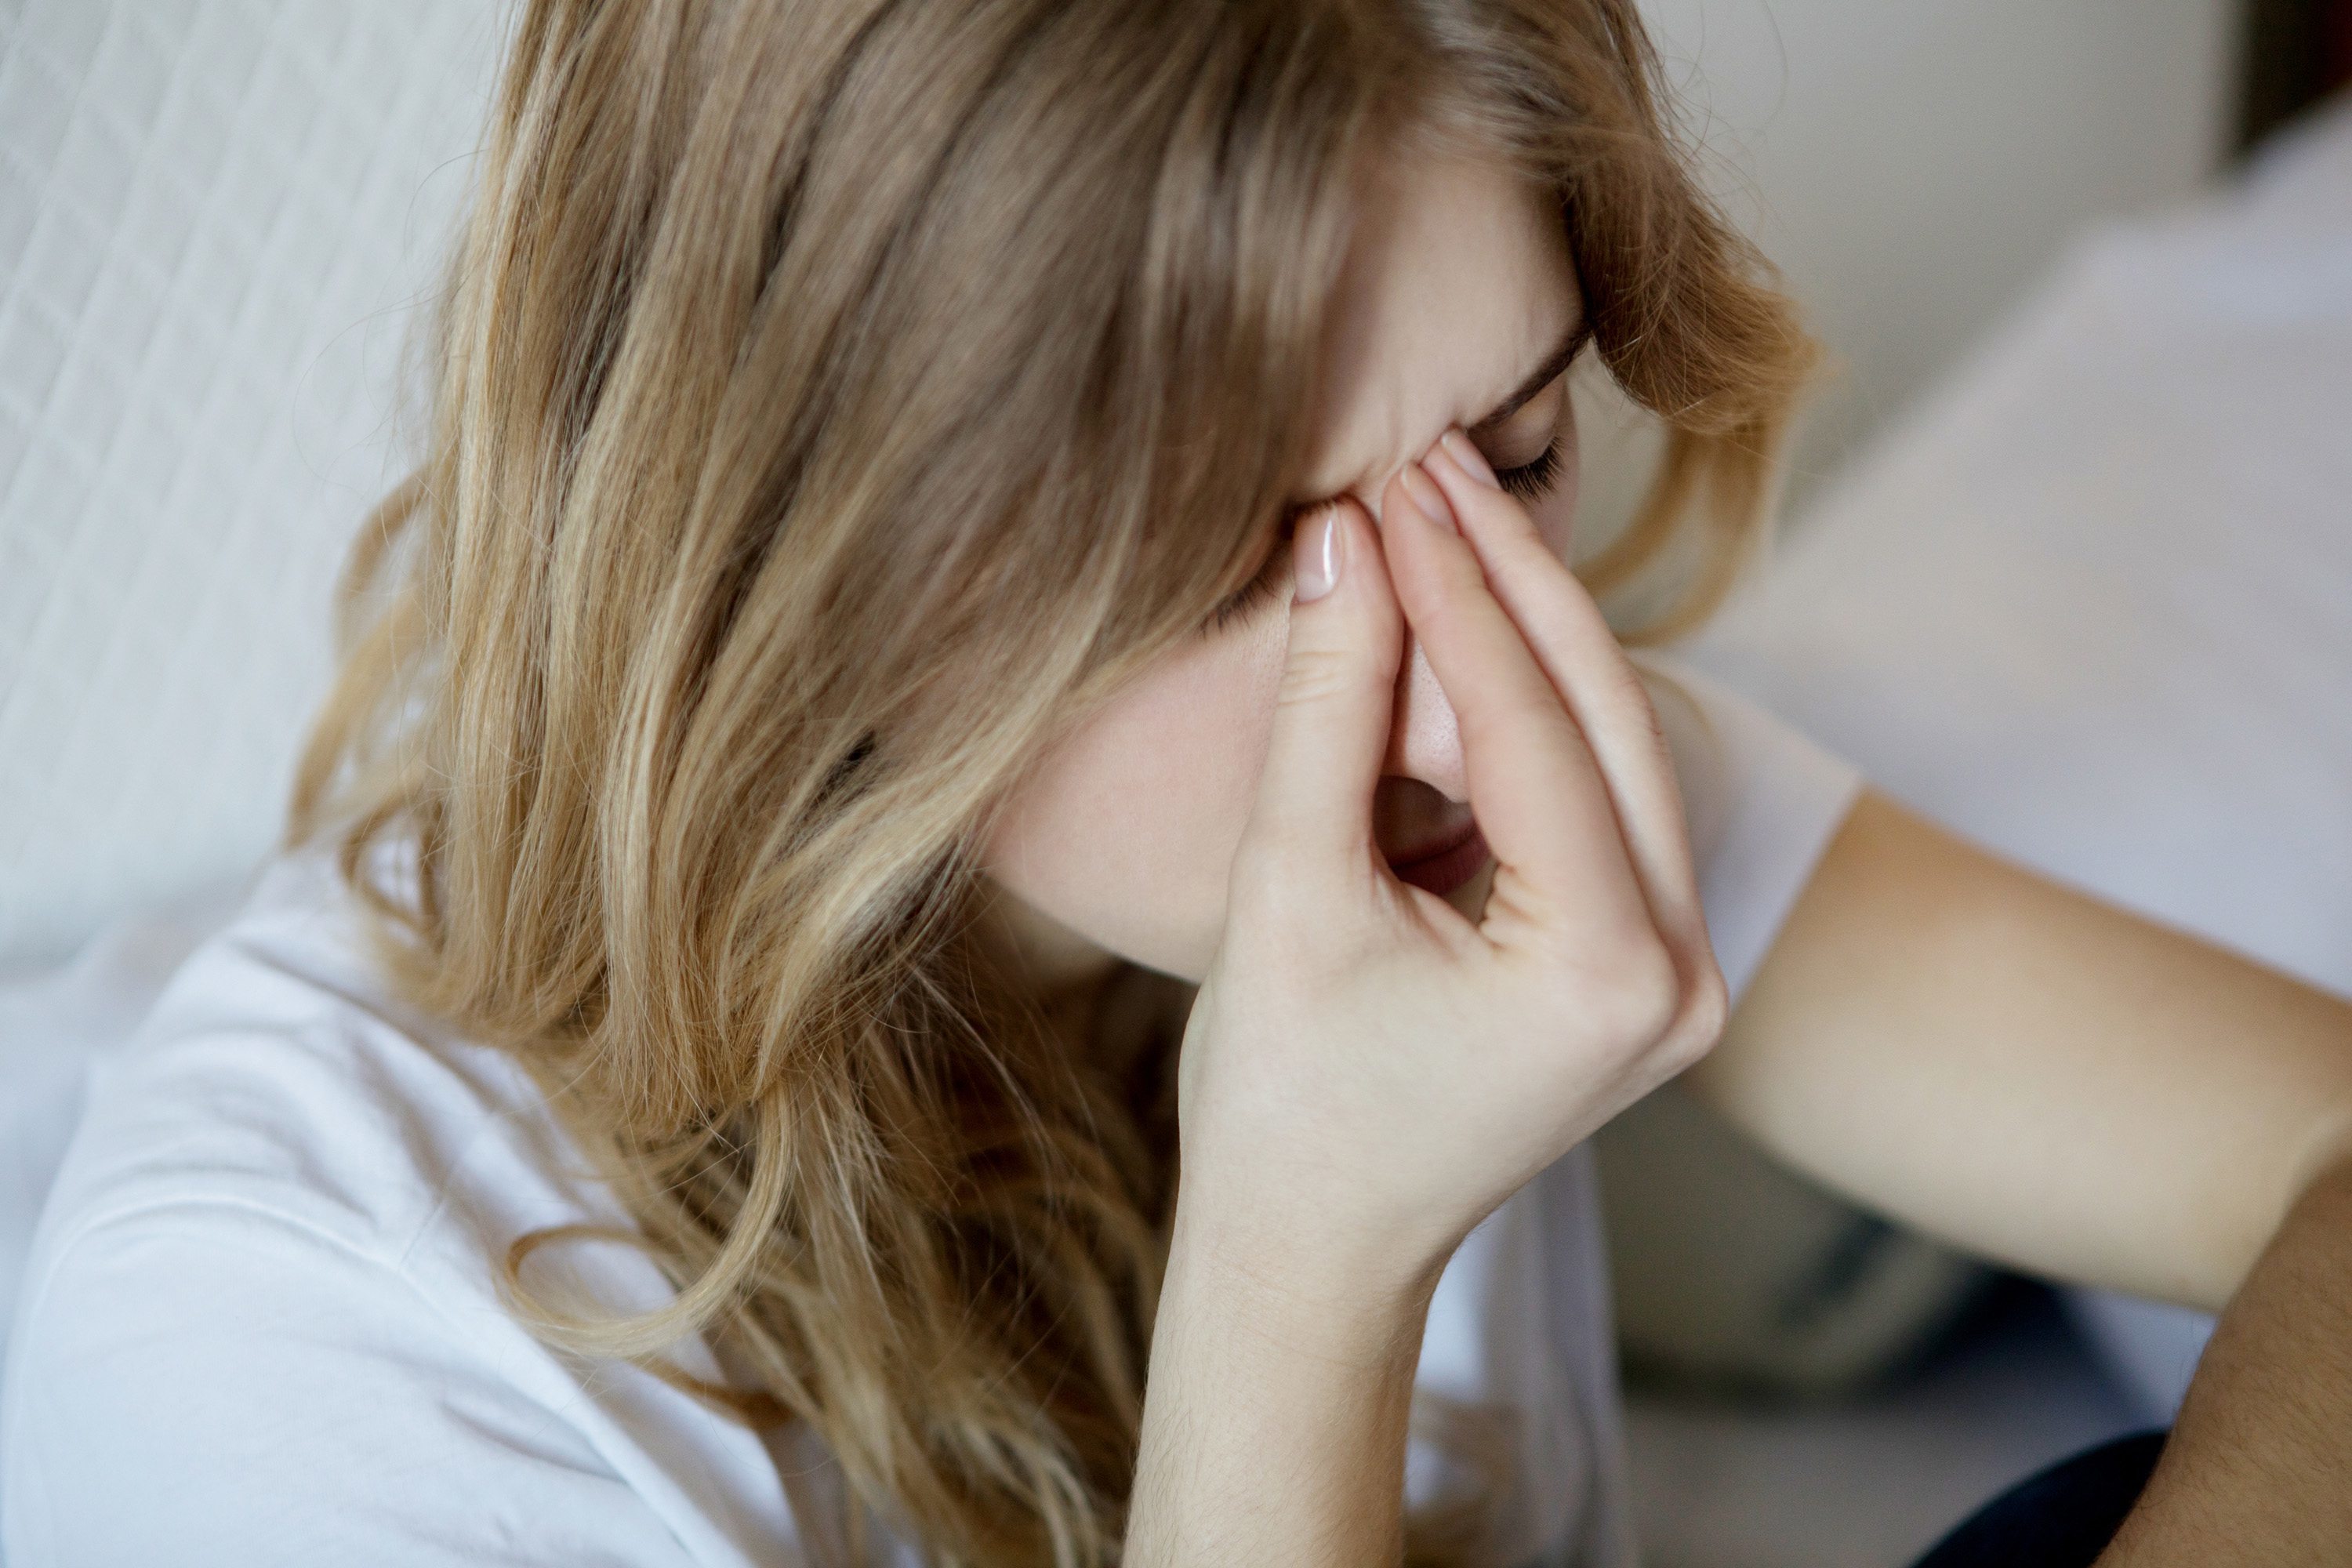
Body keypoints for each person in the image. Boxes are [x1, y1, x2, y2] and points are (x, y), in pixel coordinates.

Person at [4, 2, 2348, 1565]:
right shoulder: (294, 1350)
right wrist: (1306, 1253)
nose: (1446, 701)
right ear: (809, 556)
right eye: (1243, 573)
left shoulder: (1490, 779)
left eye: (1513, 458)